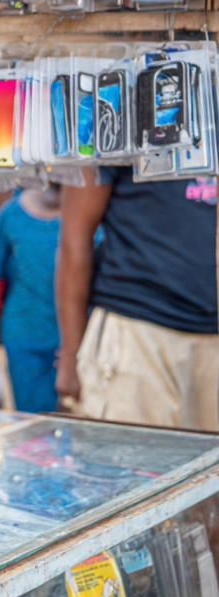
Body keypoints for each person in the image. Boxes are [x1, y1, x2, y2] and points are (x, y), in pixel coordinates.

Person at [57, 170, 219, 429]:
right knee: (134, 463)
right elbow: (74, 240)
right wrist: (70, 356)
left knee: (208, 468)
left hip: (211, 341)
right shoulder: (110, 131)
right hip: (136, 333)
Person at [0, 185, 62, 413]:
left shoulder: (89, 209)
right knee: (31, 421)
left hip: (77, 337)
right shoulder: (11, 213)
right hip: (24, 334)